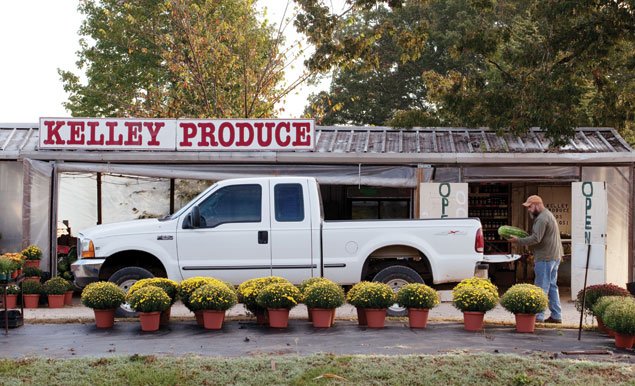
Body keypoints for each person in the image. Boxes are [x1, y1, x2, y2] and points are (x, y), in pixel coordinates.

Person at [508, 195, 563, 323]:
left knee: (541, 287)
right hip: (554, 256)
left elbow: (536, 238)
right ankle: (556, 315)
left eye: (530, 207)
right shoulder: (547, 215)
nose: (528, 210)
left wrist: (518, 241)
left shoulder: (542, 219)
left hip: (545, 257)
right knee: (552, 286)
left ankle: (539, 316)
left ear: (538, 205)